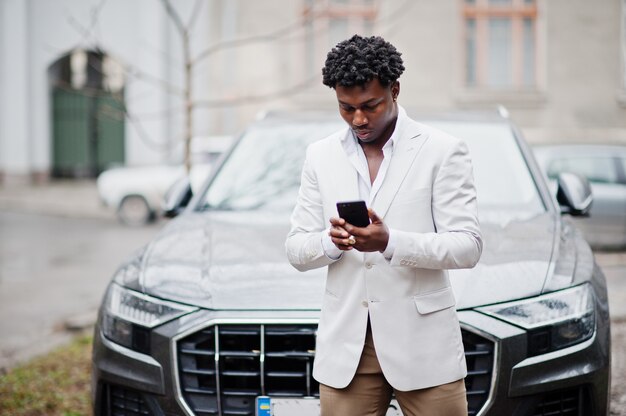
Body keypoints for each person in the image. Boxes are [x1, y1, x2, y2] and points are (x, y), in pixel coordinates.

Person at [285, 34, 482, 416]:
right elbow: (296, 248)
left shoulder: (442, 150)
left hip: (424, 348)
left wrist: (390, 242)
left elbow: (467, 246)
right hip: (348, 351)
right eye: (346, 108)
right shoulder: (320, 156)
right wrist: (331, 242)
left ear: (394, 89)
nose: (358, 119)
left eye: (370, 106)